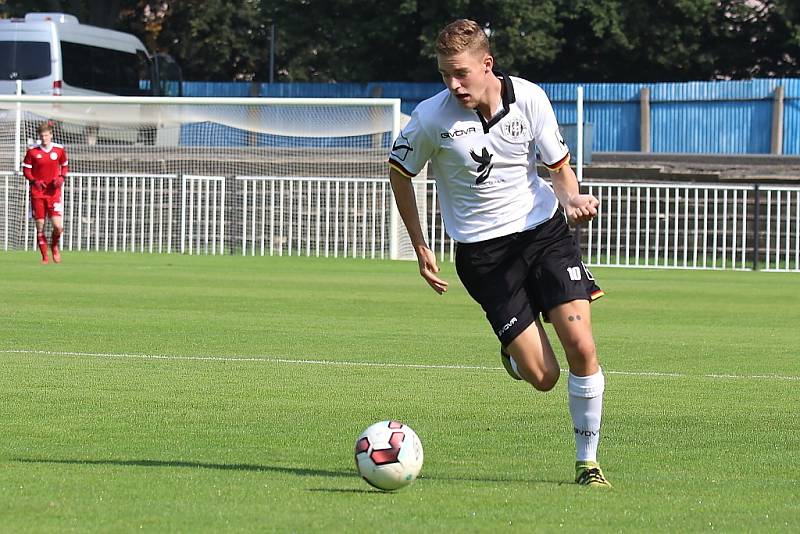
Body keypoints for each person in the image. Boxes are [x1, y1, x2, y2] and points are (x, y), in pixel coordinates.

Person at [388, 19, 611, 488]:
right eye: (446, 74)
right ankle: (515, 355)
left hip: (542, 233)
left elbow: (559, 168)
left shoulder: (529, 98)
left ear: (487, 64)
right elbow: (400, 171)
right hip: (485, 255)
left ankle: (587, 464)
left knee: (583, 347)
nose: (454, 84)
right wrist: (421, 245)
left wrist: (571, 200)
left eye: (462, 73)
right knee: (544, 376)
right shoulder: (431, 118)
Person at [22, 122, 68, 264]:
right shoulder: (32, 151)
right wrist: (34, 181)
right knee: (40, 225)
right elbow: (26, 170)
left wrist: (61, 178)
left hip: (54, 193)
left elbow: (65, 166)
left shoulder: (59, 150)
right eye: (42, 136)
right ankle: (45, 257)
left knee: (58, 227)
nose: (44, 138)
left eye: (46, 135)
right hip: (37, 193)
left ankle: (54, 246)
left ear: (51, 135)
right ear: (39, 136)